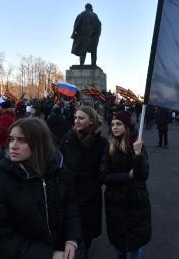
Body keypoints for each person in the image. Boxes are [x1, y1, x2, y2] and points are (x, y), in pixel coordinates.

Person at [0, 117, 81, 259]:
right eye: (11, 139)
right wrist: (49, 256)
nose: (13, 145)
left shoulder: (58, 170)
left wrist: (72, 239)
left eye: (21, 140)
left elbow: (70, 207)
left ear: (39, 143)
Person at [100, 111, 152, 259]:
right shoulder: (109, 145)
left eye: (119, 124)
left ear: (127, 126)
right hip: (115, 201)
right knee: (118, 241)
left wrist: (138, 155)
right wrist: (126, 176)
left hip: (136, 199)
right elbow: (103, 176)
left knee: (136, 241)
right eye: (112, 124)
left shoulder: (138, 144)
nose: (114, 127)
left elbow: (142, 175)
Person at [60, 106, 107, 259]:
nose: (77, 121)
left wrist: (92, 186)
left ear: (91, 121)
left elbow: (104, 170)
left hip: (89, 198)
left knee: (86, 235)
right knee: (69, 233)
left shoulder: (101, 143)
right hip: (68, 195)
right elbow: (59, 164)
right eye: (75, 118)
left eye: (81, 118)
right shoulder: (67, 139)